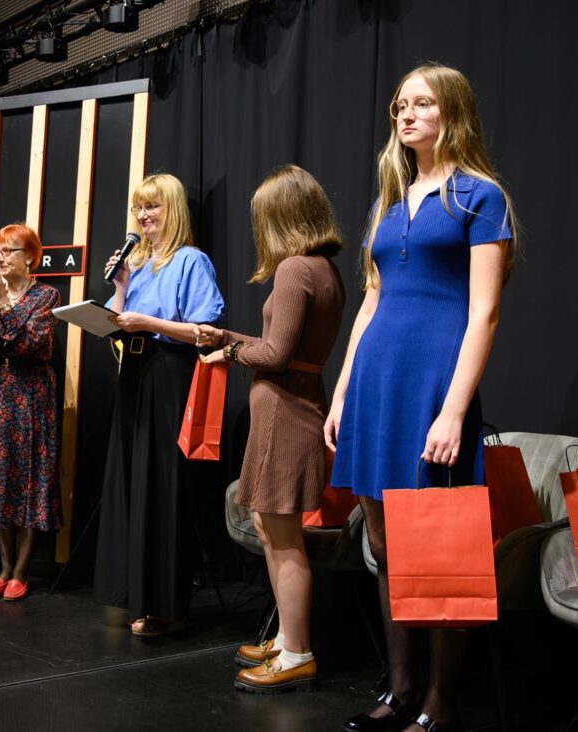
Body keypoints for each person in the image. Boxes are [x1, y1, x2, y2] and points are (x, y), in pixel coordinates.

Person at [326, 65, 517, 732]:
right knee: (385, 545)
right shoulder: (390, 201)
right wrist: (342, 393)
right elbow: (371, 303)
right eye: (400, 106)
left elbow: (484, 312)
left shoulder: (480, 197)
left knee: (439, 546)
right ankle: (401, 686)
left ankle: (441, 698)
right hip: (376, 383)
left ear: (452, 112)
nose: (406, 115)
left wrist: (455, 409)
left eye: (422, 104)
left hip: (435, 384)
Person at [195, 165, 345, 692]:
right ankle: (285, 640)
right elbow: (288, 349)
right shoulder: (323, 269)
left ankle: (297, 652)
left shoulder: (295, 269)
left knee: (282, 538)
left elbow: (277, 354)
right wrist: (231, 339)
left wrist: (230, 352)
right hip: (295, 405)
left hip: (285, 412)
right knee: (270, 528)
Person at [93, 173, 225, 635]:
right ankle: (133, 594)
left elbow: (206, 331)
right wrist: (121, 287)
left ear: (173, 211)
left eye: (152, 207)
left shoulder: (191, 260)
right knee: (131, 481)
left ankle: (166, 605)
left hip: (169, 375)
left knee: (162, 487)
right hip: (134, 374)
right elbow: (117, 322)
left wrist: (149, 322)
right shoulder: (137, 264)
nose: (143, 216)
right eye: (139, 208)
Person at [0, 224, 62, 602]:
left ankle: (21, 572)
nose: (0, 258)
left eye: (8, 251)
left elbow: (31, 345)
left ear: (30, 257)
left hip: (30, 394)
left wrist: (4, 304)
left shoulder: (45, 295)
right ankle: (2, 570)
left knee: (30, 479)